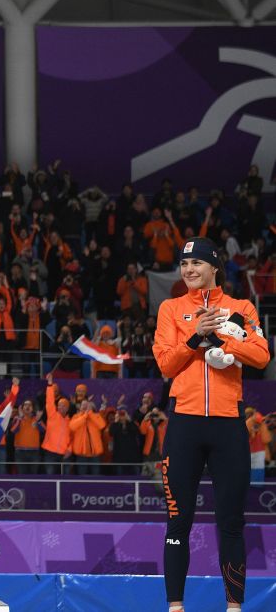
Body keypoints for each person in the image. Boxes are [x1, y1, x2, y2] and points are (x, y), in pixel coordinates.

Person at [152, 237, 271, 612]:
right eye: (184, 265)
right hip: (185, 424)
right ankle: (176, 607)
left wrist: (223, 336)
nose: (188, 270)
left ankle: (233, 608)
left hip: (227, 426)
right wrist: (196, 335)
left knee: (232, 522)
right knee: (177, 522)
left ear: (214, 266)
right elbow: (166, 365)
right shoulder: (171, 309)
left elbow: (262, 356)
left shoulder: (240, 307)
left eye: (196, 264)